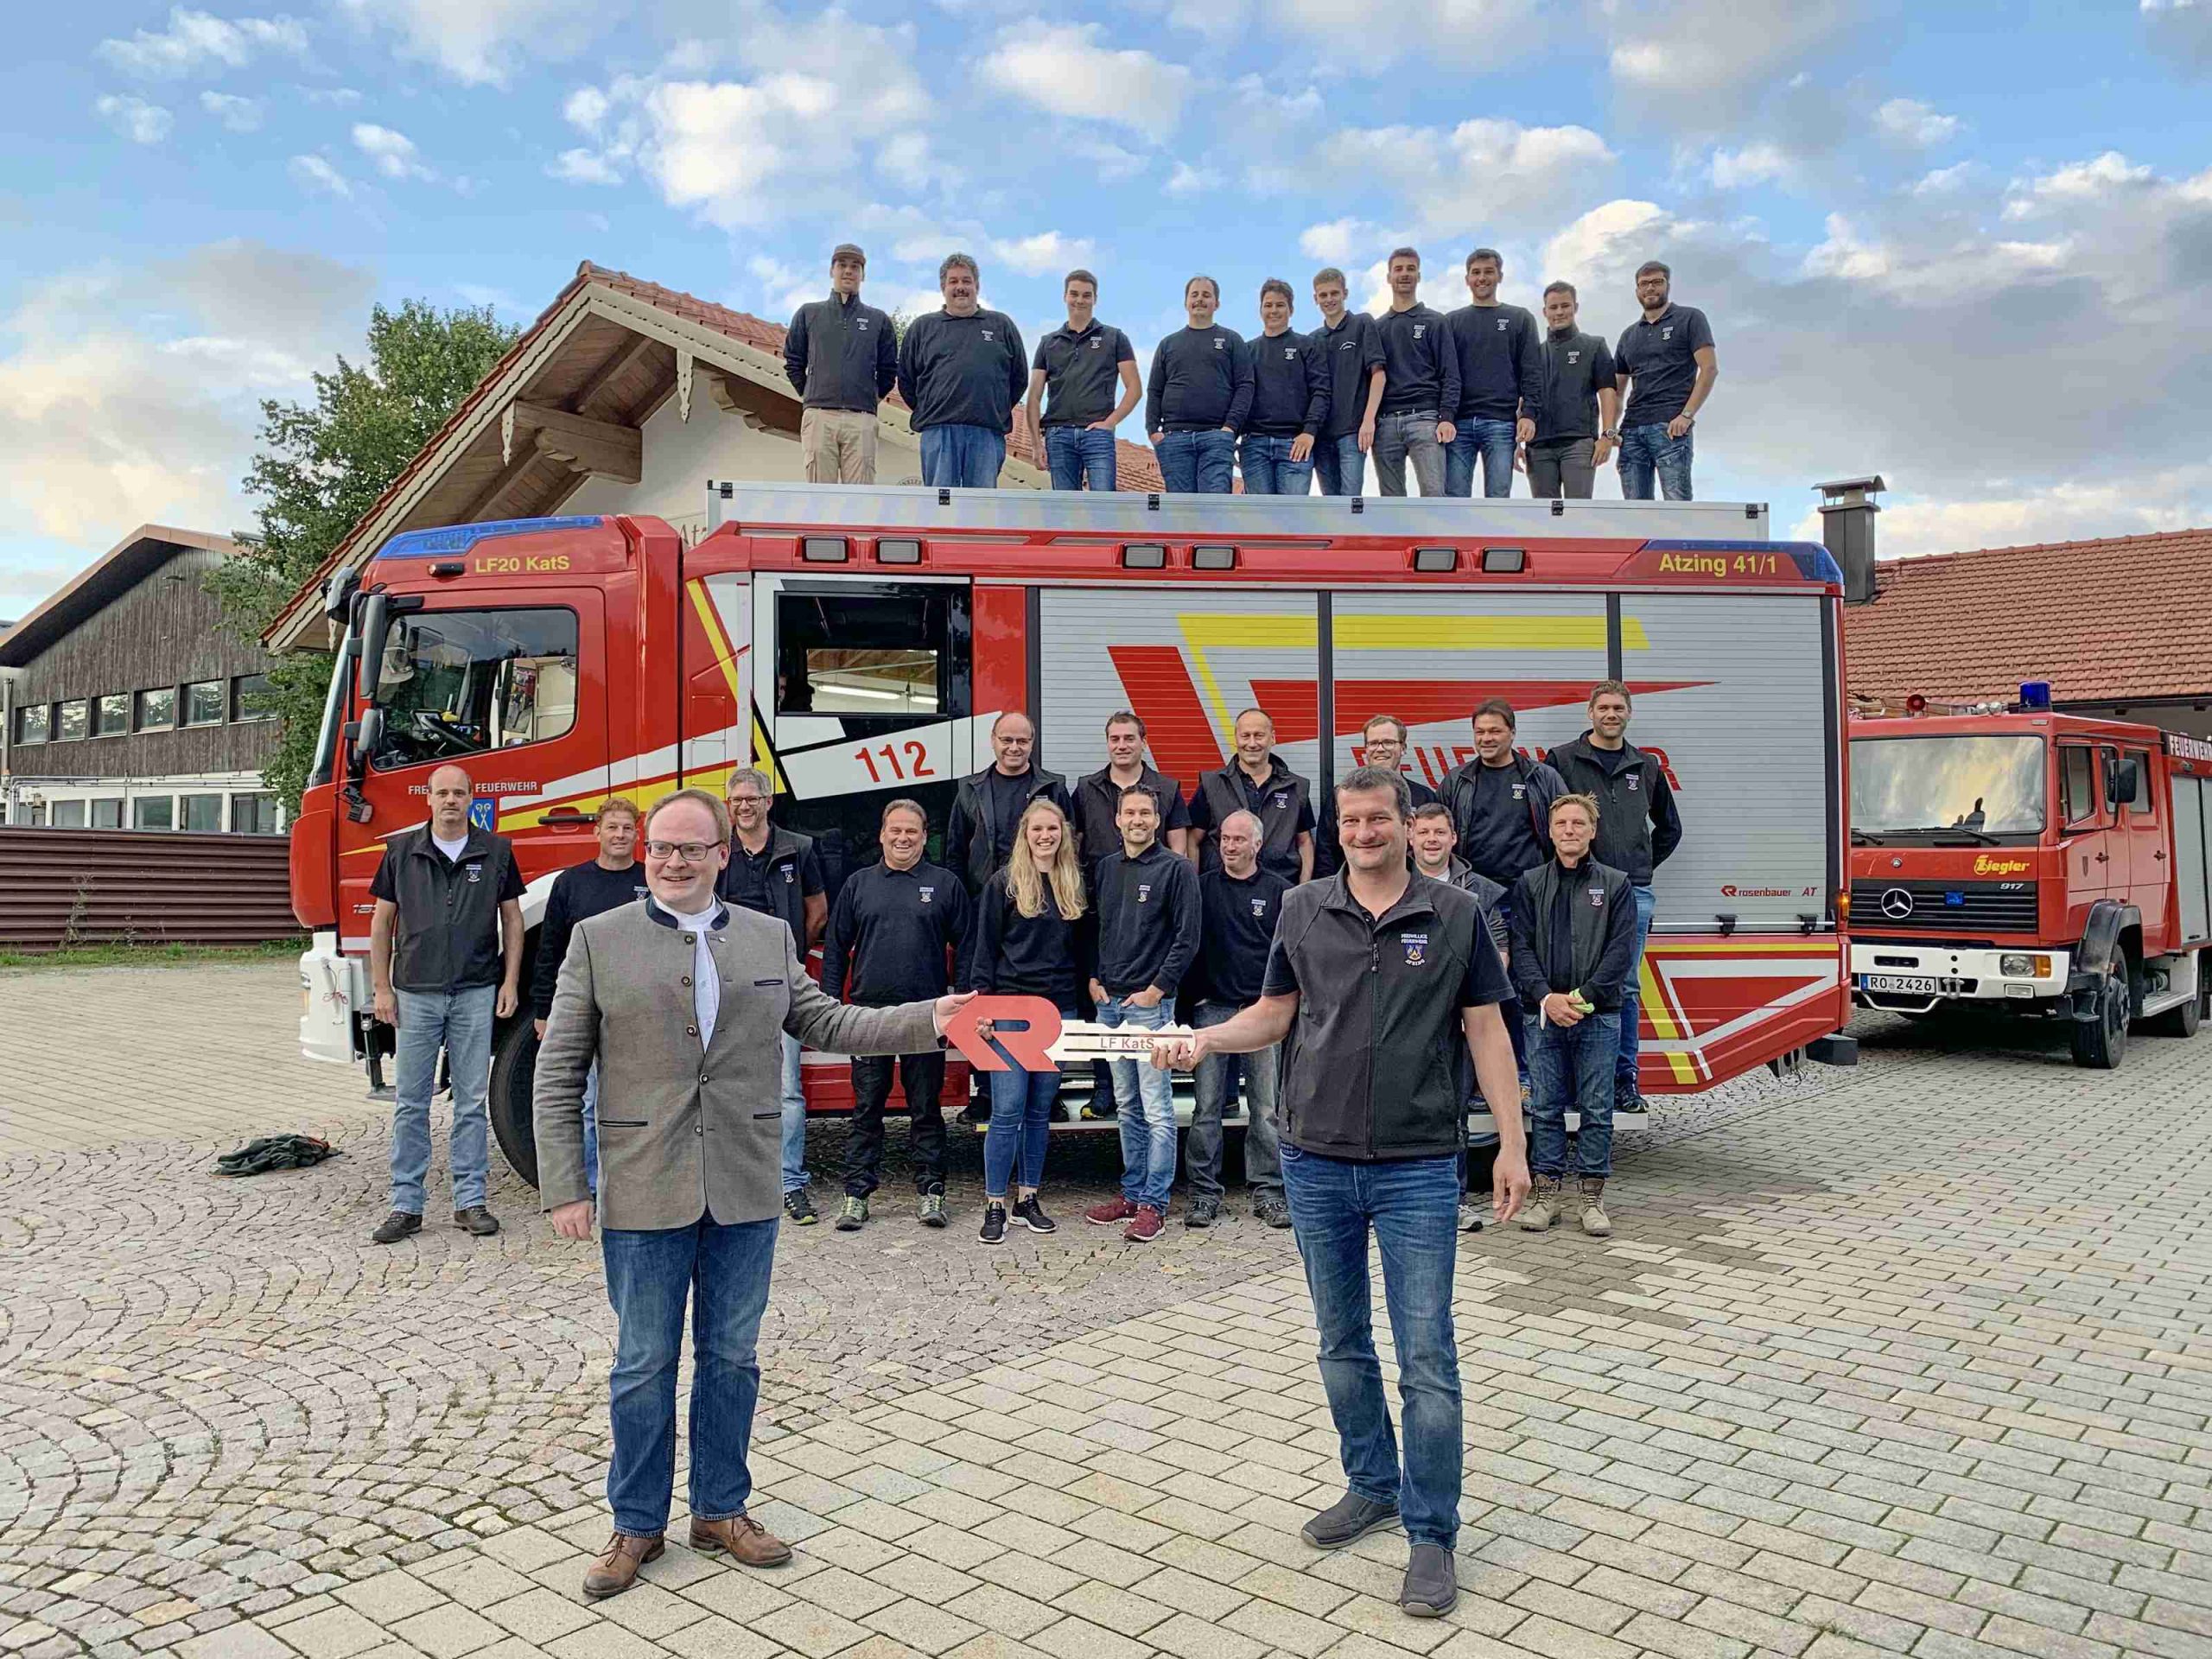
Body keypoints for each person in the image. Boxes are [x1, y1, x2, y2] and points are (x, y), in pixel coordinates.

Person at [534, 788, 967, 1601]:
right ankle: (636, 1522)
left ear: (721, 855)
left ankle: (720, 1510)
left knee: (732, 1358)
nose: (673, 861)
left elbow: (831, 1023)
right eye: (661, 847)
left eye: (691, 849)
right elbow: (557, 1073)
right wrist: (567, 1184)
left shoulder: (768, 936)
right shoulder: (599, 938)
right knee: (642, 1365)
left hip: (744, 1183)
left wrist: (929, 1017)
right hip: (643, 1185)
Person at [1149, 766, 1529, 1620]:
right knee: (1340, 1343)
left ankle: (1431, 1534)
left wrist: (1512, 1142)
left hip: (1418, 1165)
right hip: (1314, 1161)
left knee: (1426, 1356)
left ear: (1407, 823)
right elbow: (1274, 1014)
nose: (1362, 833)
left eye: (1377, 819)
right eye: (1350, 821)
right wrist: (1205, 1040)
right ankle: (1372, 1484)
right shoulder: (1301, 908)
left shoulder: (1454, 913)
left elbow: (1486, 1030)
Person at [366, 763, 524, 1244]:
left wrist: (509, 982)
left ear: (472, 798)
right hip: (416, 992)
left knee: (471, 1103)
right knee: (411, 1104)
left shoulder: (496, 851)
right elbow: (381, 923)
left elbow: (513, 920)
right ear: (429, 799)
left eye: (459, 793)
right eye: (443, 793)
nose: (451, 800)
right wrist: (382, 988)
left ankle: (470, 1201)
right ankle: (406, 1205)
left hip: (476, 990)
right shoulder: (401, 851)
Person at [822, 799, 972, 1230]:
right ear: (882, 834)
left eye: (912, 831)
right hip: (868, 1017)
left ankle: (931, 1192)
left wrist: (963, 1004)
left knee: (926, 1108)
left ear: (925, 837)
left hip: (927, 1017)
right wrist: (829, 1004)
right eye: (895, 830)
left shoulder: (945, 885)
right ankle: (856, 1195)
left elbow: (967, 945)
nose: (903, 838)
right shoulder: (858, 884)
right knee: (866, 1108)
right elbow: (836, 947)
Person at [1545, 682, 1681, 1115]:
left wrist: (1638, 866)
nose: (1611, 714)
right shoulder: (1562, 760)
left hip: (1632, 892)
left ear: (1629, 713)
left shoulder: (1646, 766)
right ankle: (1569, 1084)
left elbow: (1670, 828)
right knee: (1568, 979)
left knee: (1624, 986)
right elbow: (1549, 823)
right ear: (1589, 712)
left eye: (1618, 708)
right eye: (1603, 707)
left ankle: (1624, 1082)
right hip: (1573, 889)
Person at [1508, 794, 1637, 1239]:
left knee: (1597, 1109)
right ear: (1550, 830)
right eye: (1561, 823)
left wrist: (1582, 998)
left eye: (1579, 823)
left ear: (1592, 831)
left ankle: (1591, 1199)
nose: (1569, 830)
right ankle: (1545, 1198)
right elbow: (1521, 947)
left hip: (1598, 1015)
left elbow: (1621, 951)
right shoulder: (1529, 883)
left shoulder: (1616, 884)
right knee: (1545, 1108)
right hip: (1542, 1014)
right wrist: (1546, 998)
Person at [963, 797, 1091, 1245]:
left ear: (1063, 834)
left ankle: (1028, 1198)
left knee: (1039, 1112)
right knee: (1007, 1110)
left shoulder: (1074, 883)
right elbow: (983, 949)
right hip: (1010, 1013)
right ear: (1025, 833)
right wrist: (980, 1010)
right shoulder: (1004, 884)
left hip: (1058, 1012)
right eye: (1037, 829)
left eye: (1052, 829)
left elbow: (1084, 952)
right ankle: (995, 1203)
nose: (1045, 836)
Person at [1082, 788, 1201, 1244]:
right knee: (1127, 1104)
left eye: (1145, 813)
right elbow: (1097, 929)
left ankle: (1155, 1204)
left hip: (1150, 1008)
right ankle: (1132, 1193)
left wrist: (1156, 991)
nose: (1137, 819)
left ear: (1157, 820)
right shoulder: (1106, 868)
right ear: (1117, 820)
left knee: (1157, 1109)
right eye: (1129, 812)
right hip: (1109, 1004)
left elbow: (1188, 938)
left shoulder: (1176, 869)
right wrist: (1094, 978)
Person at [714, 770, 828, 1225]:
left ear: (768, 802)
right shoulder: (718, 851)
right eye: (737, 800)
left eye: (753, 798)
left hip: (780, 984)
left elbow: (817, 910)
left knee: (787, 1091)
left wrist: (789, 953)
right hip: (725, 983)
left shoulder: (799, 849)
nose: (745, 806)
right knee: (724, 1086)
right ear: (729, 805)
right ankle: (732, 1183)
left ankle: (791, 1183)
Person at [1440, 701, 1566, 1093]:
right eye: (1480, 732)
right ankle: (1475, 1081)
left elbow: (1564, 831)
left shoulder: (1541, 778)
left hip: (1527, 900)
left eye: (1494, 731)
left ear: (1512, 732)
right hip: (1474, 901)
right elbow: (1441, 836)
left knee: (1525, 989)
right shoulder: (1458, 781)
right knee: (1474, 991)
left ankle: (1524, 1078)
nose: (1486, 738)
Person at [531, 797, 648, 1197]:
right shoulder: (571, 883)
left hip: (638, 1009)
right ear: (596, 831)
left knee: (636, 1102)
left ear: (637, 834)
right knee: (585, 1103)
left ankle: (632, 1184)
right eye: (612, 827)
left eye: (628, 828)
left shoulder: (649, 881)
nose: (620, 835)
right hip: (584, 1007)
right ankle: (592, 1186)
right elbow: (549, 949)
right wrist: (544, 1009)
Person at [1185, 810, 1290, 1230]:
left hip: (1262, 1013)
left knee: (1266, 1109)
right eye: (1225, 839)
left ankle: (1268, 1191)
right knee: (1206, 1107)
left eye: (1238, 839)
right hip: (1212, 1010)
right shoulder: (1202, 887)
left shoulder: (1280, 892)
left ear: (1257, 845)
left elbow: (1290, 954)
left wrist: (1278, 1005)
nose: (1229, 846)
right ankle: (1203, 1193)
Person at [1411, 800, 1510, 1233]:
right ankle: (1402, 1204)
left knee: (1453, 1117)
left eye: (1439, 832)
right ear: (1410, 837)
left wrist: (1469, 1003)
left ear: (1453, 838)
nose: (1431, 840)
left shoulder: (1481, 892)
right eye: (1424, 832)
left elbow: (1499, 953)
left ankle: (1454, 1202)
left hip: (1457, 1024)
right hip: (1404, 1021)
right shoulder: (1393, 883)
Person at [895, 252, 1027, 488]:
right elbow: (906, 379)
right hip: (939, 432)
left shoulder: (1001, 325)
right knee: (942, 504)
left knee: (981, 505)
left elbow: (1019, 378)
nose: (960, 287)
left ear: (977, 285)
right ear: (943, 287)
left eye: (966, 281)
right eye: (953, 281)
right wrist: (932, 408)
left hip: (987, 433)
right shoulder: (923, 328)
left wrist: (993, 408)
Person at [784, 243, 896, 484]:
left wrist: (869, 397)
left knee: (860, 496)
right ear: (831, 270)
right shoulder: (808, 314)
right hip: (819, 416)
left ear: (862, 275)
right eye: (842, 265)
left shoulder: (878, 320)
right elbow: (793, 361)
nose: (848, 271)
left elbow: (888, 370)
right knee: (820, 495)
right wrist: (811, 393)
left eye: (855, 267)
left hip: (862, 418)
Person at [1025, 269, 1140, 492]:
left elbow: (1134, 388)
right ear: (1065, 296)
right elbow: (1034, 395)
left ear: (1095, 299)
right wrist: (1036, 444)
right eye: (1074, 294)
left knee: (1103, 503)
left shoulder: (1115, 338)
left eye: (1087, 295)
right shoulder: (1048, 343)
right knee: (1065, 507)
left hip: (1097, 434)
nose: (1080, 300)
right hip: (1058, 435)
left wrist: (1110, 423)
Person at [1441, 248, 1541, 499]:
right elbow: (1445, 374)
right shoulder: (1451, 322)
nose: (1482, 278)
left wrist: (1529, 414)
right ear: (1467, 279)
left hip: (1501, 422)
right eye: (1476, 273)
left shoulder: (1519, 318)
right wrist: (1445, 416)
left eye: (1488, 272)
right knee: (1454, 498)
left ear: (1500, 276)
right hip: (1459, 424)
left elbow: (1531, 372)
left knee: (1498, 498)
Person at [1613, 261, 1716, 502]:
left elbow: (1709, 369)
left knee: (1676, 508)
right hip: (1631, 431)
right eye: (1644, 284)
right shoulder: (1629, 335)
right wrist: (1611, 430)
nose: (1650, 288)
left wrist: (1686, 415)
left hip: (1671, 428)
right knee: (1634, 511)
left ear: (1667, 285)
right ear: (1637, 290)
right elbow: (1617, 390)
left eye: (1657, 282)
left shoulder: (1690, 318)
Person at [1145, 274, 1252, 494]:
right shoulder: (1168, 344)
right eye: (1194, 295)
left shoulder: (1231, 340)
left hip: (1216, 437)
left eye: (1206, 295)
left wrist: (1230, 428)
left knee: (1214, 508)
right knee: (1180, 510)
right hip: (1174, 438)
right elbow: (1155, 390)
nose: (1200, 299)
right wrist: (1153, 430)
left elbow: (1245, 386)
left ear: (1217, 303)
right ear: (1186, 302)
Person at [946, 712, 1072, 895]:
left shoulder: (1053, 788)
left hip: (1043, 894)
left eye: (1022, 741)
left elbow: (1071, 844)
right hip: (985, 896)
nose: (1014, 748)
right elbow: (956, 853)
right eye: (1006, 740)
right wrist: (964, 900)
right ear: (993, 740)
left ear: (1032, 743)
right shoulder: (970, 791)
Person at [1188, 708, 1315, 883]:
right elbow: (1192, 840)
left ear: (1273, 738)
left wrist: (1303, 889)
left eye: (1259, 735)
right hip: (1221, 889)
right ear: (1236, 739)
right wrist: (1194, 886)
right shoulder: (1212, 784)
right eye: (1245, 736)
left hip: (1281, 888)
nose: (1252, 743)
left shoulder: (1296, 787)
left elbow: (1305, 843)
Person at [1370, 247, 1458, 497]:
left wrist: (1447, 417)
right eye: (1398, 269)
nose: (1404, 274)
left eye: (1411, 269)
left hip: (1426, 419)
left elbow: (1450, 374)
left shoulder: (1435, 321)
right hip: (1386, 424)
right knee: (1392, 503)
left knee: (1434, 496)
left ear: (1418, 275)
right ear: (1389, 277)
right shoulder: (1377, 328)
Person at [1524, 281, 1618, 500]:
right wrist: (1515, 443)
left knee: (1578, 512)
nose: (1559, 312)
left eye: (1565, 306)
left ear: (1575, 307)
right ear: (1545, 311)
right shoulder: (1533, 354)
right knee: (1545, 514)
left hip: (1578, 444)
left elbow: (1607, 391)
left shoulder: (1594, 345)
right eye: (1553, 307)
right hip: (1538, 447)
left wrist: (1608, 435)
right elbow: (1522, 399)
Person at [1240, 279, 1328, 496]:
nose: (1273, 310)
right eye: (1268, 305)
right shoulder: (1247, 350)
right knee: (1260, 515)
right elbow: (1238, 397)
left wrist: (1309, 432)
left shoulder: (1307, 345)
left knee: (1292, 514)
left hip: (1295, 444)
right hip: (1254, 446)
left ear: (1291, 309)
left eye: (1280, 305)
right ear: (1260, 310)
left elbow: (1321, 392)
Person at [1072, 709, 1189, 864]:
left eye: (1129, 739)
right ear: (1108, 743)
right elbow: (1072, 845)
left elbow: (1179, 851)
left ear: (1144, 743)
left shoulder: (1168, 790)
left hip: (1154, 878)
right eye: (1115, 739)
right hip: (1098, 878)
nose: (1122, 746)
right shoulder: (1086, 789)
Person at [1309, 267, 1385, 498]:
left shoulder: (1362, 323)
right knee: (1331, 505)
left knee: (1351, 503)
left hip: (1352, 432)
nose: (1329, 299)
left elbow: (1378, 375)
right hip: (1322, 436)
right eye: (1323, 295)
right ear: (1315, 299)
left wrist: (1368, 420)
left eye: (1334, 293)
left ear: (1345, 293)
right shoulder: (1313, 340)